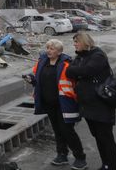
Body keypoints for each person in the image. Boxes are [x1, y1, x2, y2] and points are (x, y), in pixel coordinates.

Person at [25, 39, 87, 169]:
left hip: (64, 103)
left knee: (67, 130)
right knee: (57, 130)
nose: (48, 50)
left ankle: (80, 157)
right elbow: (36, 77)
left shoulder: (66, 63)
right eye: (47, 48)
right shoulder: (42, 61)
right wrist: (31, 79)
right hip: (49, 103)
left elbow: (77, 80)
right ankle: (62, 155)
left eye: (52, 48)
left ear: (59, 51)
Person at [66, 32, 116, 170]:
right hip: (88, 106)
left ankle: (111, 166)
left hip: (101, 105)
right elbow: (70, 71)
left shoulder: (98, 55)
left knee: (106, 138)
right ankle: (105, 164)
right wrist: (76, 70)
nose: (74, 44)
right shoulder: (81, 56)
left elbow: (87, 70)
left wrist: (76, 71)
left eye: (76, 41)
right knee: (98, 137)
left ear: (84, 42)